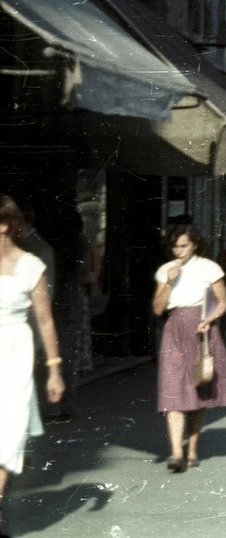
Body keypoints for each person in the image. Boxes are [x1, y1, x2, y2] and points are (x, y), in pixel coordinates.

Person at [1, 196, 66, 532]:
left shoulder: (31, 265)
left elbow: (45, 319)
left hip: (13, 351)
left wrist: (54, 369)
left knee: (9, 436)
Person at [152, 223, 226, 471]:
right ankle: (177, 453)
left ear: (194, 244)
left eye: (184, 246)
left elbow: (223, 302)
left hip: (201, 330)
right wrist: (168, 283)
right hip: (174, 329)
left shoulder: (208, 268)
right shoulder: (165, 270)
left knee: (199, 389)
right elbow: (158, 309)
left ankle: (192, 449)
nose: (178, 251)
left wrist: (210, 320)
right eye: (175, 247)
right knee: (172, 390)